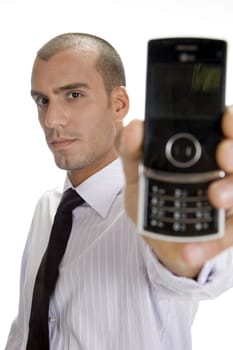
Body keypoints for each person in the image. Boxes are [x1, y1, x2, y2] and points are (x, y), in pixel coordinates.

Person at [5, 32, 233, 350]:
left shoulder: (146, 213)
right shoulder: (48, 208)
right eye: (42, 100)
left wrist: (186, 256)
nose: (51, 119)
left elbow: (185, 268)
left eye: (73, 95)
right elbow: (26, 328)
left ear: (119, 104)